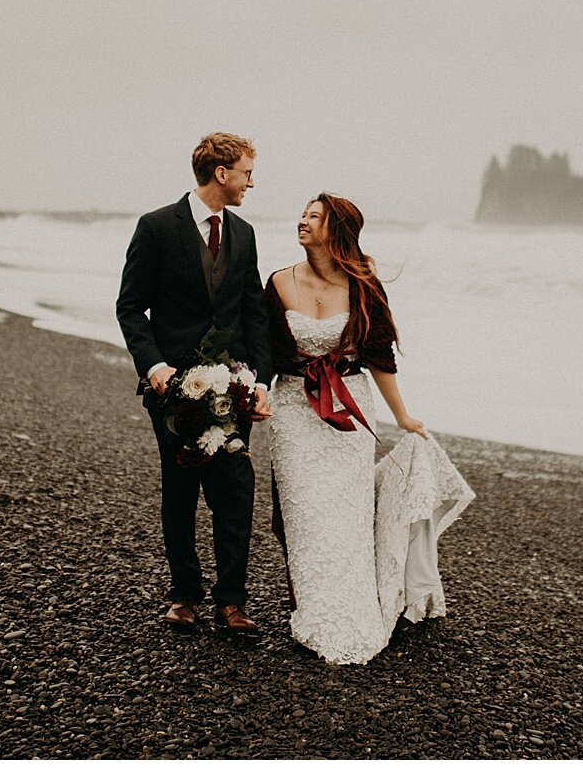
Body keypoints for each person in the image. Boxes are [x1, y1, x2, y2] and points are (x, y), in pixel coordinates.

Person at [264, 193, 474, 664]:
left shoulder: (364, 286)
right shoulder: (277, 281)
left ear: (335, 230)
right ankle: (310, 601)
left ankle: (352, 603)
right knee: (302, 509)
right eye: (302, 215)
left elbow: (380, 356)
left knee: (347, 511)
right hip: (294, 406)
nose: (302, 222)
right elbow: (263, 350)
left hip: (349, 406)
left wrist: (402, 416)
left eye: (313, 217)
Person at [115, 132, 274, 634]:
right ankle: (184, 595)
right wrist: (153, 365)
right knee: (180, 490)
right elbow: (130, 306)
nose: (253, 180)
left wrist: (259, 378)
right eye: (247, 171)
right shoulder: (157, 226)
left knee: (234, 490)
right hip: (171, 391)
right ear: (221, 172)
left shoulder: (244, 234)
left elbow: (252, 311)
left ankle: (232, 601)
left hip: (231, 391)